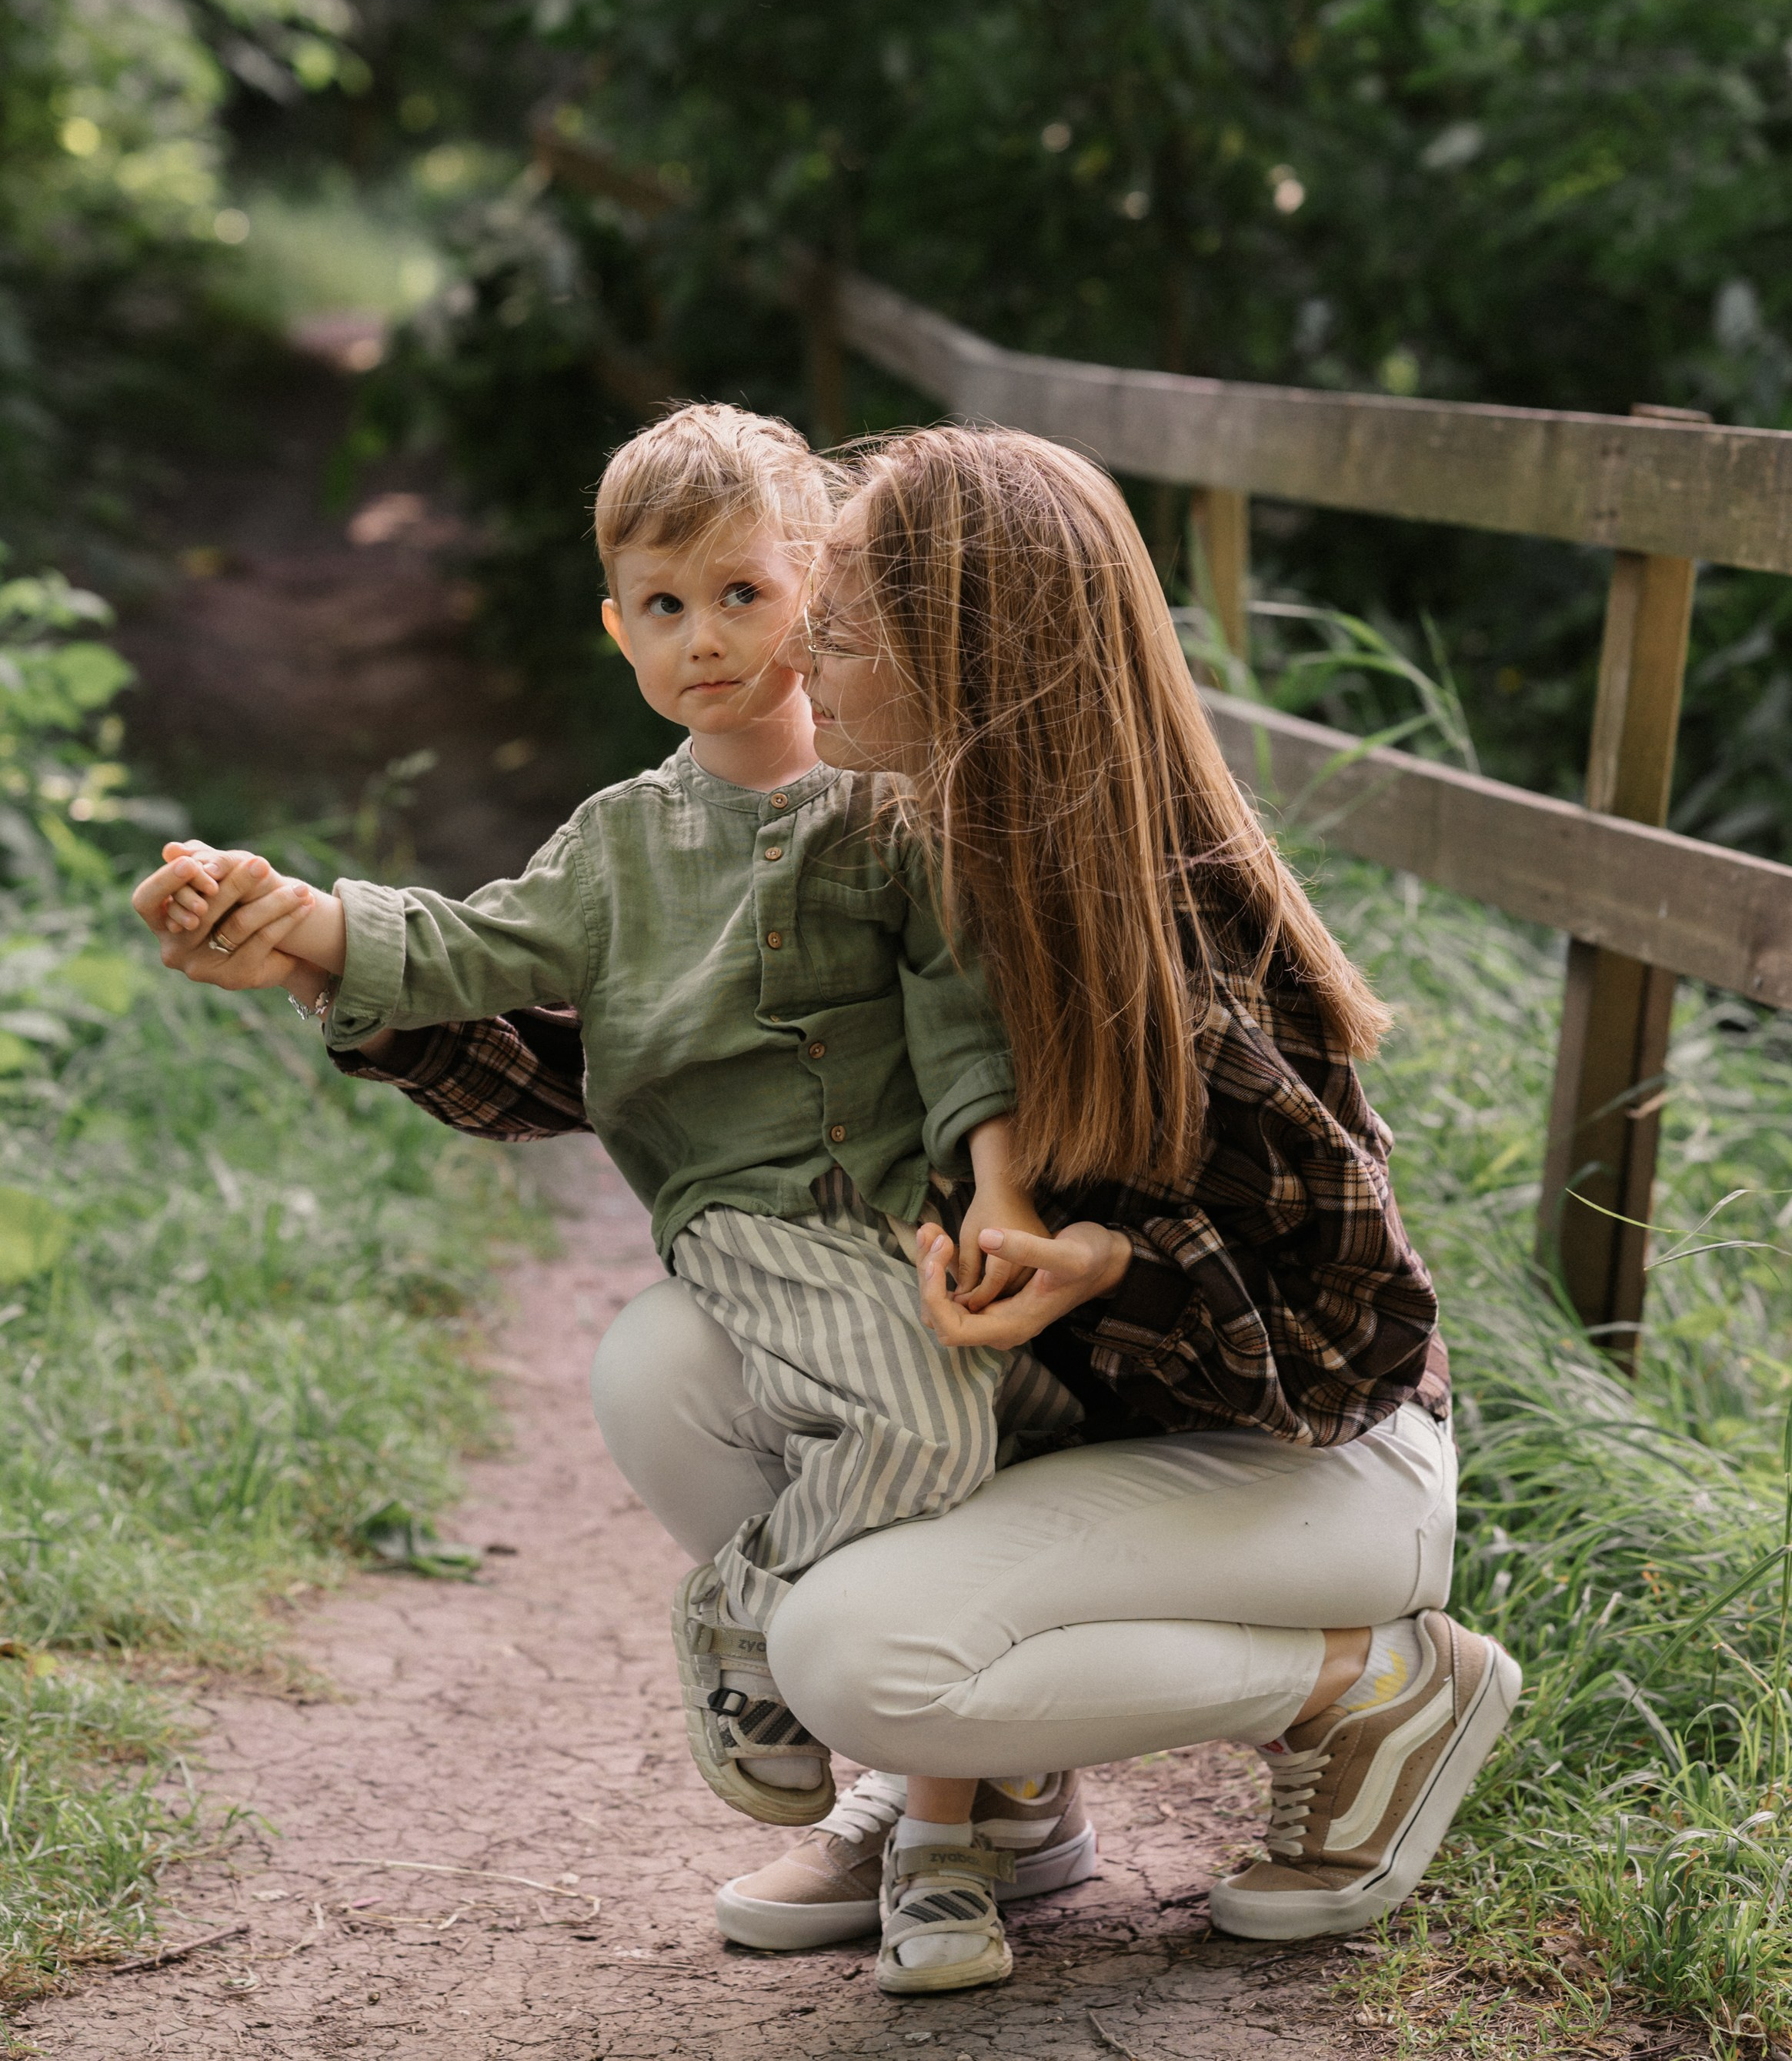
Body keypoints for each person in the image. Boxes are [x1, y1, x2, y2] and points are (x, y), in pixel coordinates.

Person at [241, 422, 1521, 1993]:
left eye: (837, 623)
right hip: (1113, 1426)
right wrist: (322, 947)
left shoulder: (1157, 917)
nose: (793, 653)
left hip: (1311, 1465)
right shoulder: (900, 844)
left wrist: (1107, 1266)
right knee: (668, 1362)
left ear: (968, 660)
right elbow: (637, 1046)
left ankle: (1371, 1680)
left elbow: (1354, 1337)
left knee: (848, 1647)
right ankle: (994, 1797)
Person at [131, 403, 1095, 1995]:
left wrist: (999, 1190)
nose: (702, 638)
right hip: (753, 1220)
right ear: (614, 628)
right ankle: (745, 1613)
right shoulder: (619, 847)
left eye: (743, 594)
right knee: (926, 1432)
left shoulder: (896, 810)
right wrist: (300, 918)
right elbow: (460, 951)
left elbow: (960, 1016)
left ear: (822, 602)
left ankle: (949, 1831)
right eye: (662, 605)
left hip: (907, 1217)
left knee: (991, 1441)